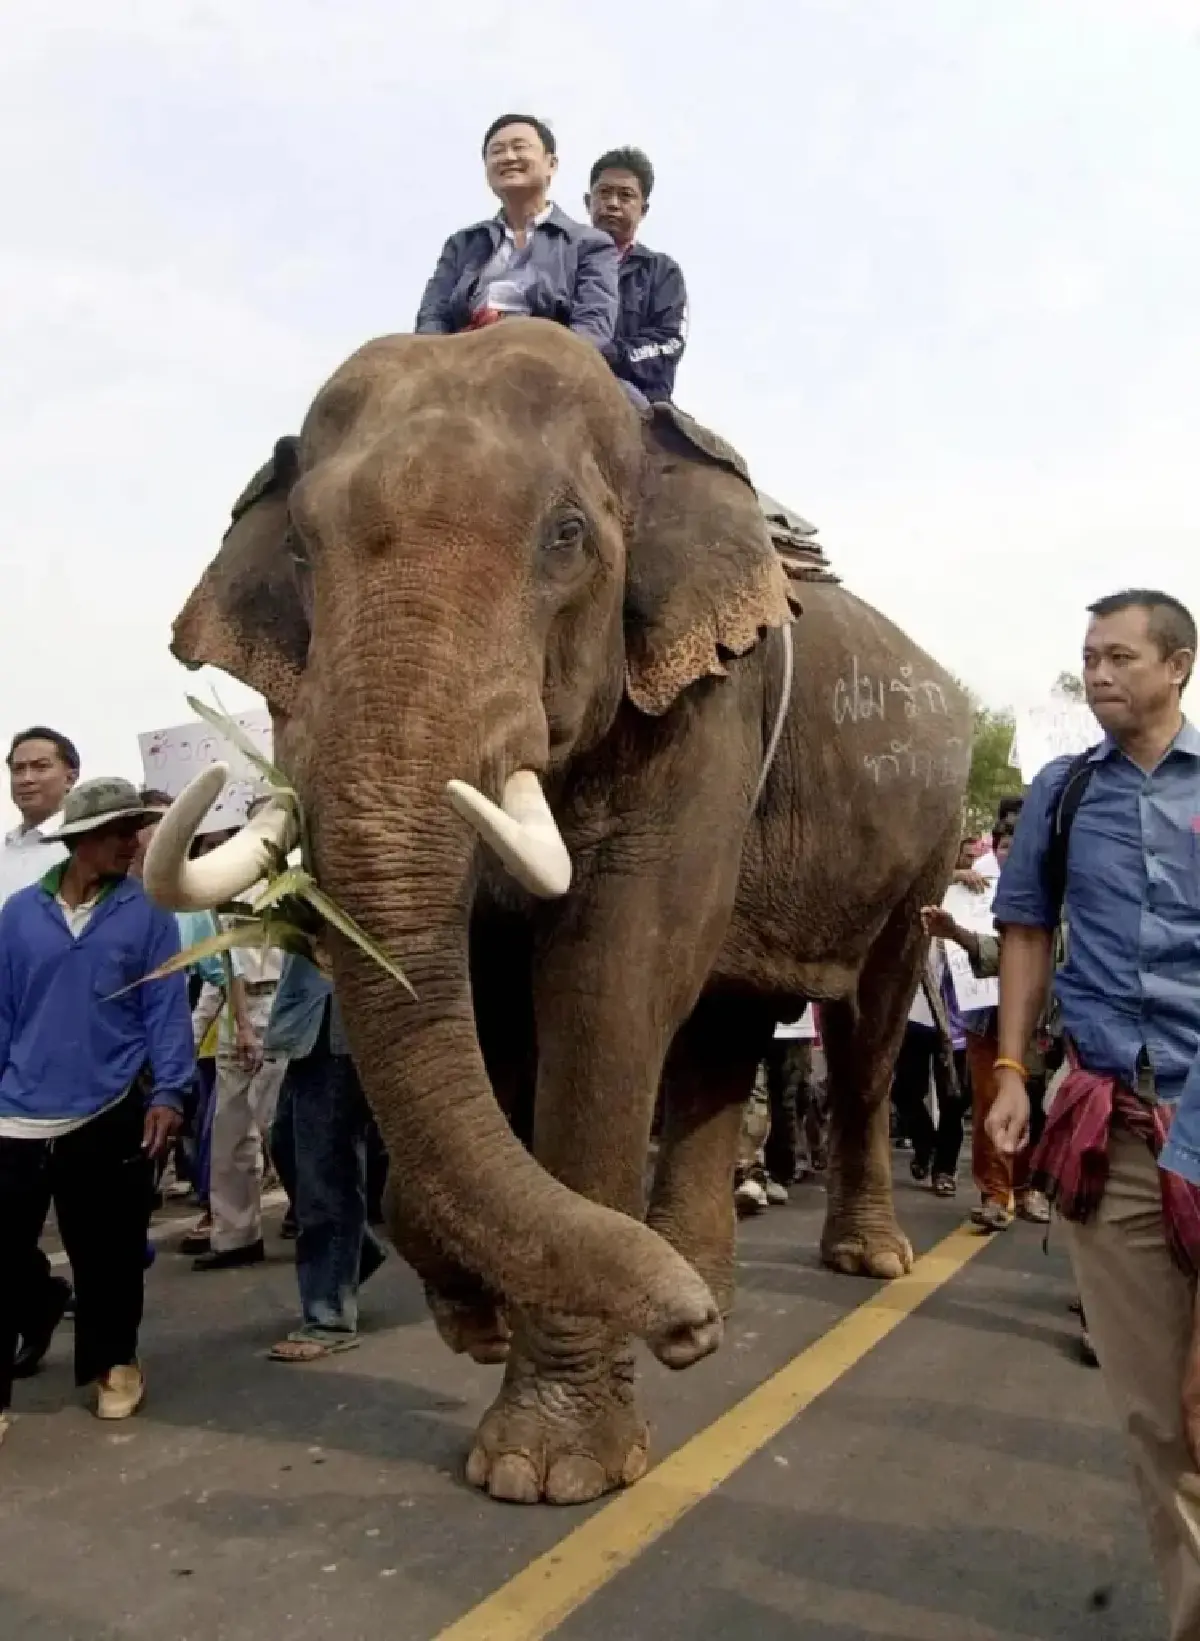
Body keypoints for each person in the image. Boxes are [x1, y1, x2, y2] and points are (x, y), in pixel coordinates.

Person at [985, 589, 1200, 1638]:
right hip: (1114, 1139)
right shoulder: (1065, 796)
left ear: (1179, 668)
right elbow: (1024, 928)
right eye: (1088, 658)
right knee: (1158, 1419)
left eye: (1120, 656)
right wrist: (1016, 1072)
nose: (1100, 675)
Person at [0, 779, 193, 1445]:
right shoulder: (19, 915)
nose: (133, 842)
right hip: (17, 1112)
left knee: (106, 1250)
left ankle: (113, 1361)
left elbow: (165, 1008)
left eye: (136, 828)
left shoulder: (149, 914)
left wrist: (170, 1091)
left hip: (110, 1105)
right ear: (81, 841)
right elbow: (3, 1011)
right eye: (119, 831)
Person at [1, 727, 81, 1383]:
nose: (26, 778)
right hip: (10, 1046)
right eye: (16, 767)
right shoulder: (5, 857)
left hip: (79, 1051)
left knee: (82, 1210)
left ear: (70, 774)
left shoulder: (97, 847)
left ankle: (111, 1348)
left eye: (39, 765)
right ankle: (36, 1293)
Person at [265, 954, 386, 1360]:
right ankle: (354, 1254)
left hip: (341, 1023)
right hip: (307, 1021)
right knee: (284, 1143)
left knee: (325, 1169)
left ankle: (328, 1316)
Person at [415, 114, 618, 353]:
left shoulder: (589, 244)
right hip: (465, 357)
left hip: (549, 361)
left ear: (551, 164)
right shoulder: (463, 243)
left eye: (519, 147)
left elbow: (593, 327)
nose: (508, 157)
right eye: (497, 151)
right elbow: (432, 317)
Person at [584, 147, 688, 404]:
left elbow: (670, 342)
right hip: (565, 385)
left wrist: (612, 354)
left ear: (644, 209)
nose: (612, 204)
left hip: (641, 401)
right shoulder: (562, 261)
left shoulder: (662, 271)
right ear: (588, 202)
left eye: (625, 196)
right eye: (604, 193)